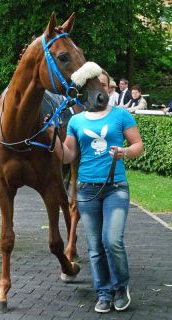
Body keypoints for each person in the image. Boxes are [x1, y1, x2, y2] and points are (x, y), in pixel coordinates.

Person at [46, 70, 144, 314]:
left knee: (112, 241)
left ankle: (120, 287)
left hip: (115, 187)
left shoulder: (121, 115)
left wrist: (125, 152)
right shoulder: (77, 121)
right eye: (94, 85)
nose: (99, 89)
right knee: (95, 246)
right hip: (87, 190)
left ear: (109, 88)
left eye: (103, 84)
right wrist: (52, 136)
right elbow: (68, 155)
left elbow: (138, 145)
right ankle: (103, 292)